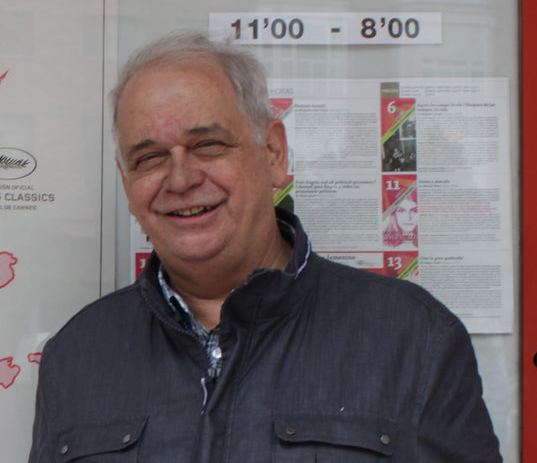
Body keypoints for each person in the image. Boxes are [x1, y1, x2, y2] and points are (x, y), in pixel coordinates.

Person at [29, 32, 500, 462]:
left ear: (273, 154)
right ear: (127, 183)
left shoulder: (412, 340)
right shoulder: (76, 356)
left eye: (208, 145)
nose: (180, 178)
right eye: (149, 157)